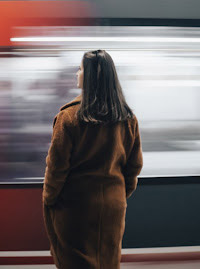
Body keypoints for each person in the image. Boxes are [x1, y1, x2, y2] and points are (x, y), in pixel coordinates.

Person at [42, 49, 143, 268]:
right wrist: (117, 193)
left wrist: (49, 199)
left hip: (76, 206)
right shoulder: (127, 117)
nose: (77, 74)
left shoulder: (68, 117)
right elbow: (134, 167)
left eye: (80, 69)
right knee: (107, 260)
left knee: (76, 262)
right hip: (113, 206)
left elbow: (57, 168)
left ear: (89, 75)